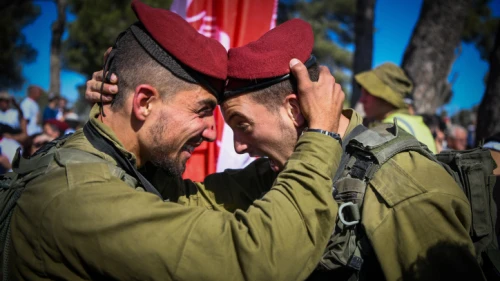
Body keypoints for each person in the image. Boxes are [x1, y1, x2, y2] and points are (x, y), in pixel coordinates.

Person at [90, 18, 482, 281]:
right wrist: (118, 115)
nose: (238, 145)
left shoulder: (400, 186)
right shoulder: (275, 173)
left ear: (295, 110)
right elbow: (176, 202)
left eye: (242, 125)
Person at [8, 2, 344, 280]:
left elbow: (201, 199)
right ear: (144, 103)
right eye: (202, 110)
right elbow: (254, 260)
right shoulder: (79, 198)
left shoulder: (101, 160)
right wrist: (321, 136)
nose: (212, 132)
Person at [356, 63, 438, 153]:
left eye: (368, 93)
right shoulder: (417, 124)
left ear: (386, 97)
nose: (362, 100)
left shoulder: (391, 129)